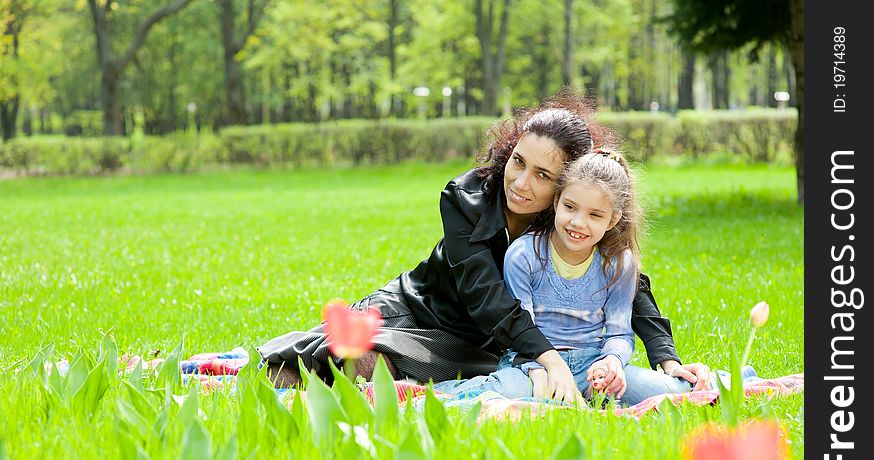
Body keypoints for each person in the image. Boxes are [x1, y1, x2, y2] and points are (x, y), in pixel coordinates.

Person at [259, 91, 710, 403]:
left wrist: (666, 360)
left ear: (567, 185)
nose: (520, 182)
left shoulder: (573, 215)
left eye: (542, 175)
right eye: (519, 162)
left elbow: (630, 281)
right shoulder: (464, 198)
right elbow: (483, 295)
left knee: (478, 369)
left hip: (498, 343)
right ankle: (321, 367)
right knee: (361, 348)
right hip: (425, 313)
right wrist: (548, 359)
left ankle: (367, 370)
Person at [433, 148, 703, 406]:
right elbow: (519, 328)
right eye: (570, 207)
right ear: (556, 202)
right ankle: (433, 395)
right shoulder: (524, 255)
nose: (577, 223)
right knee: (506, 392)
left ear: (612, 219)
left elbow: (621, 332)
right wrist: (534, 368)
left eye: (595, 214)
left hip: (592, 367)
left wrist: (612, 362)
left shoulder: (619, 263)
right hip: (533, 364)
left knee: (673, 393)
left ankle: (725, 380)